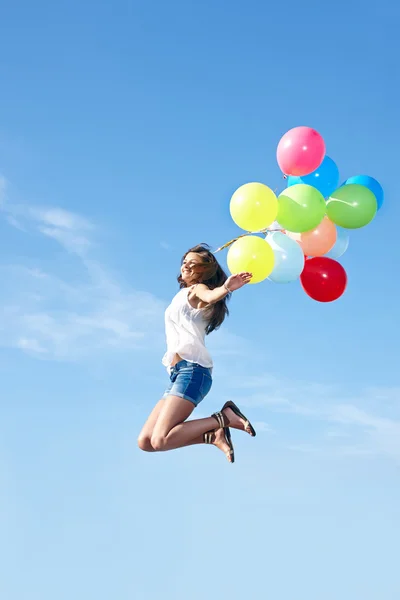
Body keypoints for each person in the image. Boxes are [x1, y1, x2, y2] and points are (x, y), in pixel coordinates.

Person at [137, 243, 256, 463]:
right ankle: (212, 435)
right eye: (184, 262)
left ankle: (225, 418)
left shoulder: (197, 289)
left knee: (161, 440)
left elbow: (211, 296)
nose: (185, 266)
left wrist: (226, 288)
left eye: (192, 263)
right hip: (178, 373)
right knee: (146, 441)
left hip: (192, 371)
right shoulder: (183, 293)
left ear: (204, 271)